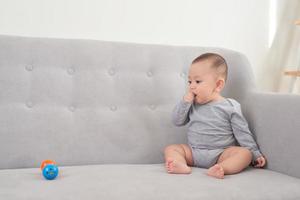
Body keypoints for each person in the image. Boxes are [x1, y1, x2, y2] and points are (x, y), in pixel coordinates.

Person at [164, 53, 266, 179]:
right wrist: (185, 102)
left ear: (218, 85)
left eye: (197, 81)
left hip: (221, 154)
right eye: (189, 81)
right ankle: (179, 164)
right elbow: (177, 121)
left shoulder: (230, 106)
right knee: (172, 148)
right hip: (194, 152)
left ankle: (222, 167)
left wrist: (255, 154)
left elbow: (242, 132)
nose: (191, 86)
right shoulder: (191, 104)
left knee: (245, 154)